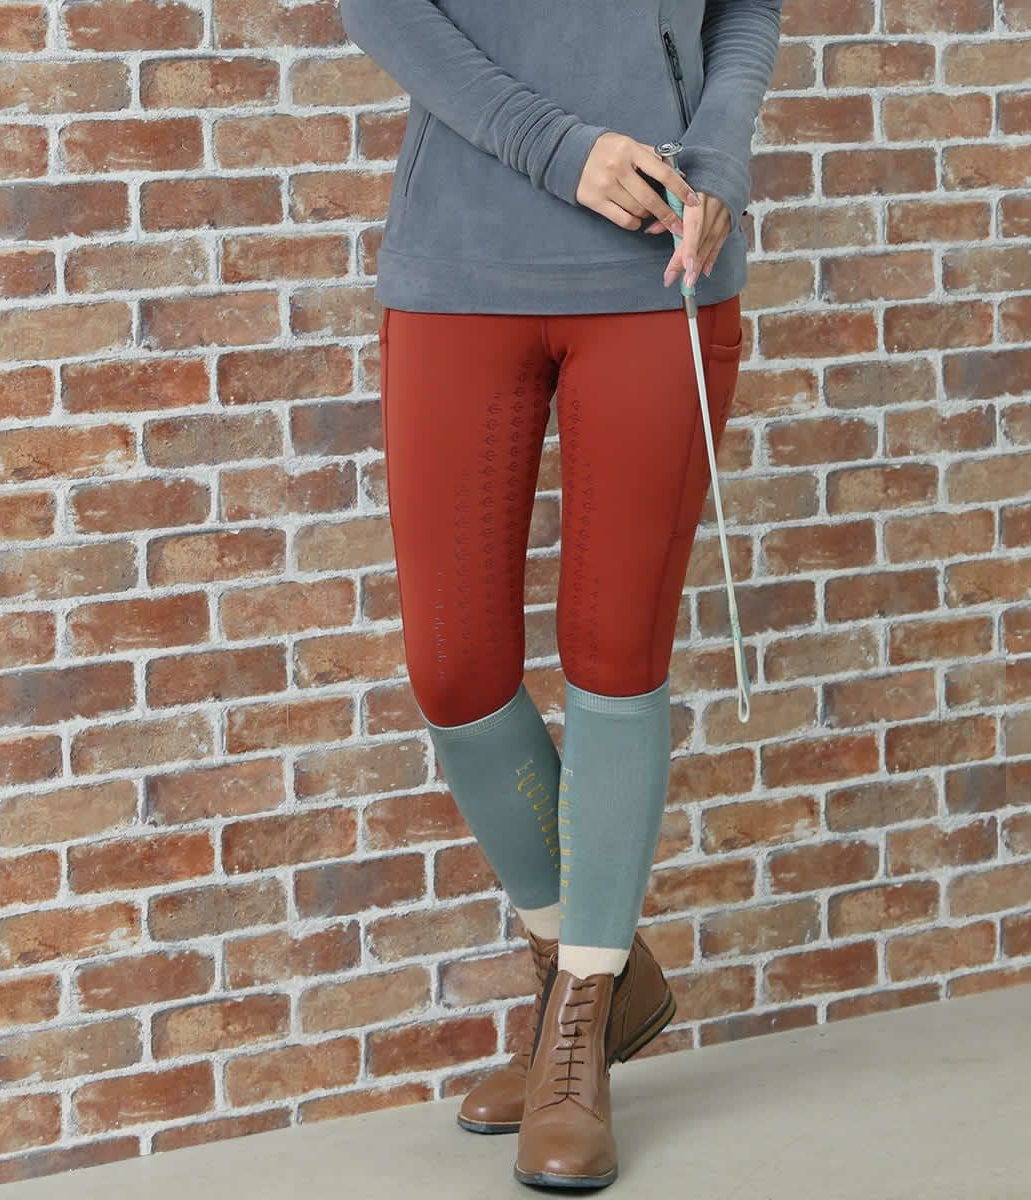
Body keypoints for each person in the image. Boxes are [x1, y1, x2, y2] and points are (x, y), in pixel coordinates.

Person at [338, 0, 782, 1188]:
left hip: (659, 268)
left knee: (615, 655)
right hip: (462, 257)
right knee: (454, 668)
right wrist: (560, 148)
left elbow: (746, 8)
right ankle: (584, 964)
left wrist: (719, 158)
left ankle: (577, 1012)